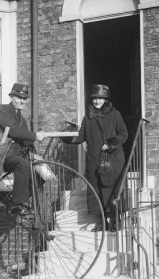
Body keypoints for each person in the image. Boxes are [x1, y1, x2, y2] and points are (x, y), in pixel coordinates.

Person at [62, 84, 128, 231]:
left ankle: (116, 222)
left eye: (100, 98)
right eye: (95, 98)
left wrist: (111, 144)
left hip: (113, 159)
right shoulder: (88, 118)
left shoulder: (115, 115)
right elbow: (80, 137)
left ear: (106, 100)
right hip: (94, 160)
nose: (97, 101)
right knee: (96, 191)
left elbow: (124, 134)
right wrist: (67, 137)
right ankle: (102, 222)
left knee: (112, 190)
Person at [0, 83, 46, 216]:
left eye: (24, 98)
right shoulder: (1, 110)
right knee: (23, 164)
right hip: (1, 153)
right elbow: (14, 131)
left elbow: (26, 141)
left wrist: (37, 157)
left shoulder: (21, 119)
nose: (22, 101)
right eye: (19, 97)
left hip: (15, 154)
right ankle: (17, 204)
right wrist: (35, 135)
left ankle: (19, 198)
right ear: (11, 97)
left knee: (41, 172)